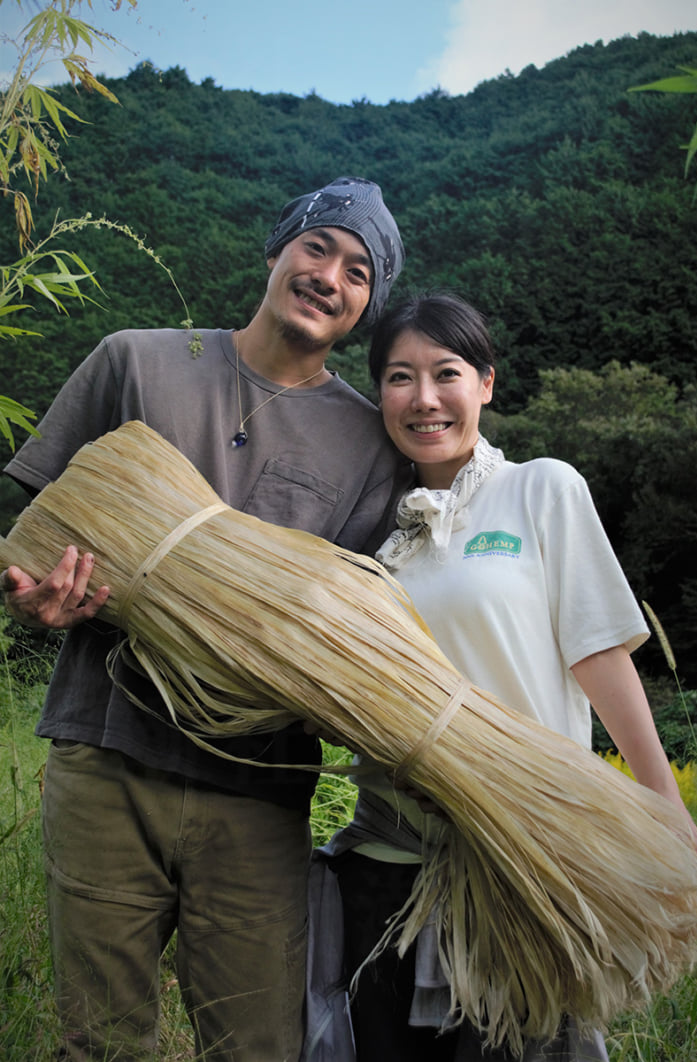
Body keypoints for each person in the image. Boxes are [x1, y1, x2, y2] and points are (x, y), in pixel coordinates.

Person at [1, 176, 409, 1062]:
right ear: (276, 251)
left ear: (365, 308)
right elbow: (25, 537)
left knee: (258, 1047)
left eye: (359, 271)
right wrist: (33, 598)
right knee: (102, 1045)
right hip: (106, 761)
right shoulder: (136, 362)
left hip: (257, 792)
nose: (330, 276)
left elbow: (353, 622)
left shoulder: (372, 443)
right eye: (318, 247)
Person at [319, 292, 697, 1062]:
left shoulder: (541, 489)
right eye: (399, 377)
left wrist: (663, 804)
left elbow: (599, 653)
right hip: (390, 867)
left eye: (446, 372)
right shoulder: (363, 531)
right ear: (379, 396)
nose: (423, 398)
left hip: (525, 863)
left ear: (486, 384)